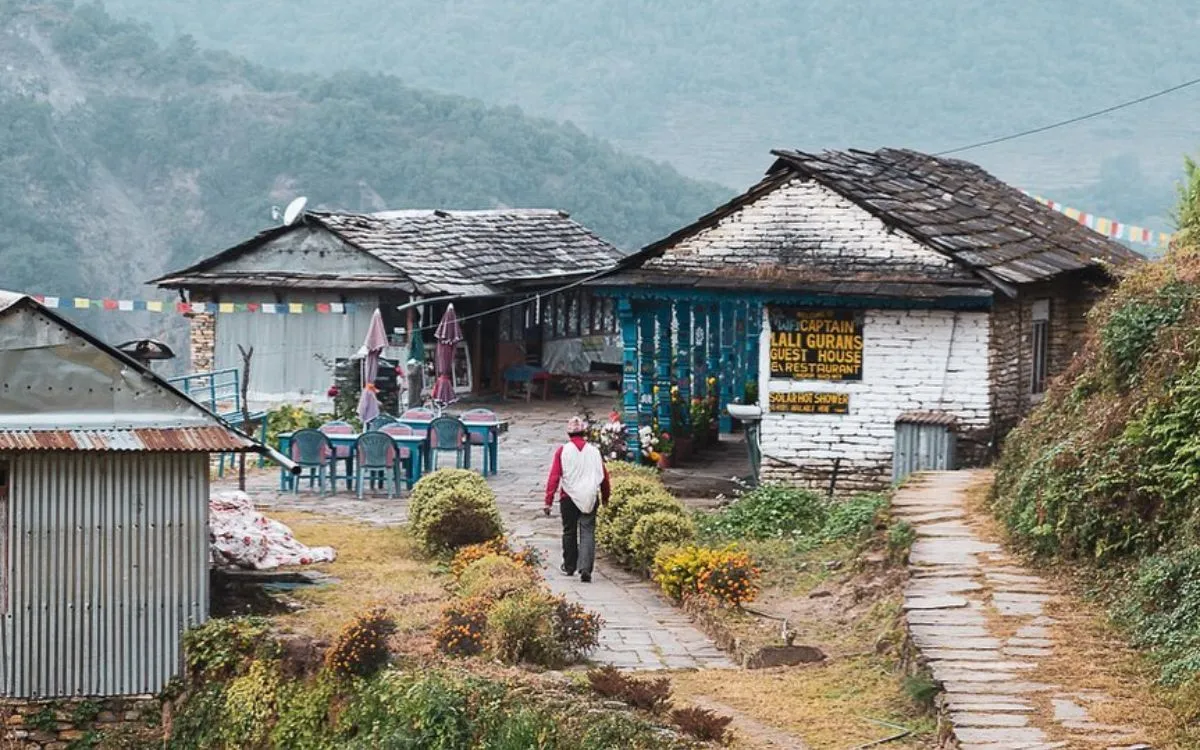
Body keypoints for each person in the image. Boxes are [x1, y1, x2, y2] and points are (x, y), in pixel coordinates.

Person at [544, 416, 611, 583]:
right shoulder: (594, 452)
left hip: (569, 497)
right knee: (588, 531)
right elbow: (604, 477)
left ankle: (569, 565)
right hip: (590, 496)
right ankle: (585, 568)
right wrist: (605, 497)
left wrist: (548, 500)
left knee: (569, 531)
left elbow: (554, 476)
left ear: (569, 433)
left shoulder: (563, 451)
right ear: (585, 432)